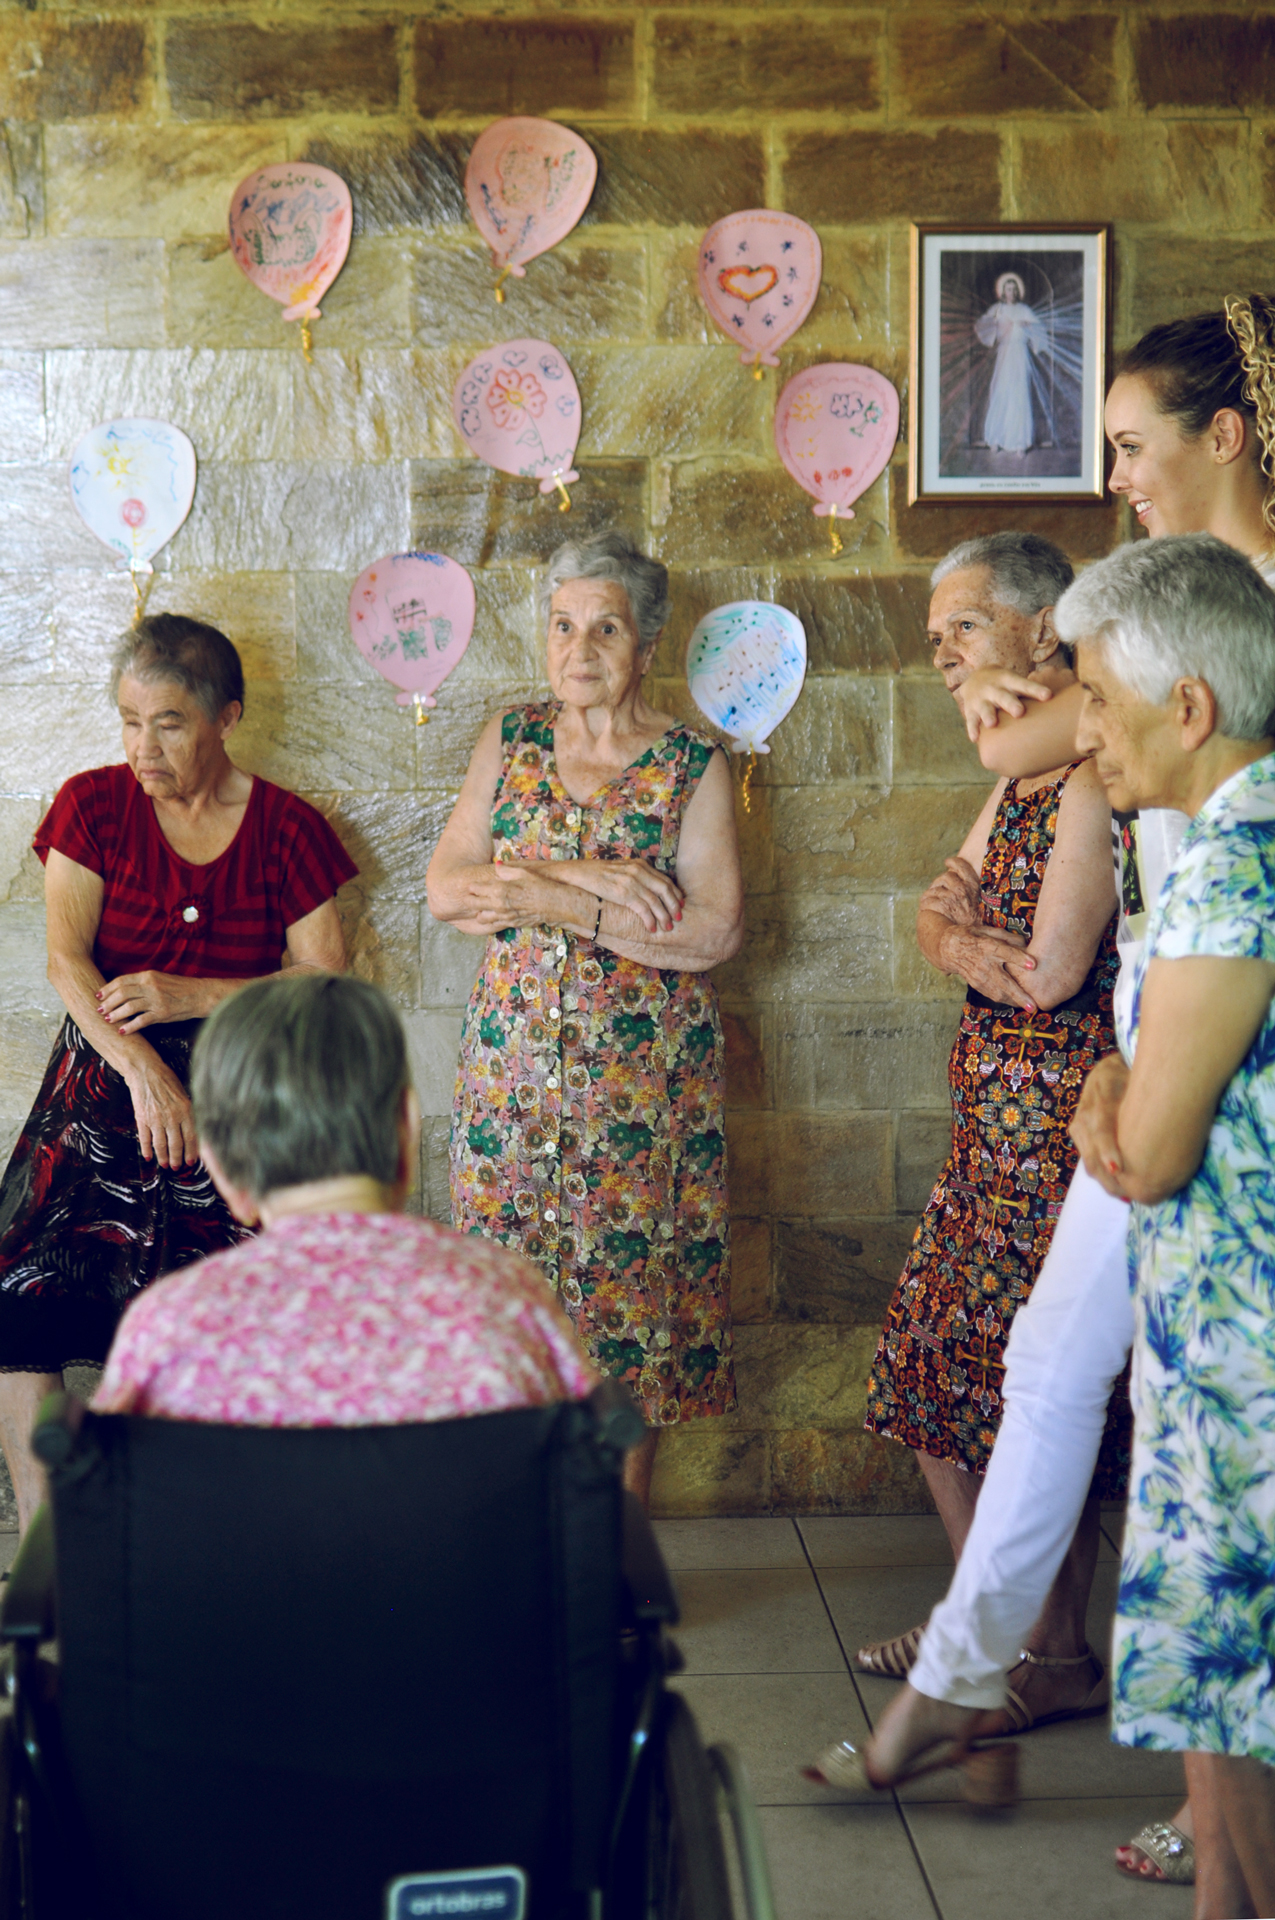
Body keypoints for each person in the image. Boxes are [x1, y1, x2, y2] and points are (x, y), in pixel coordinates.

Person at [835, 298, 1275, 1893]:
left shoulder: (1236, 624)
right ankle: (990, 1677)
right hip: (1162, 1010)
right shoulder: (1156, 605)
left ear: (1223, 436)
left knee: (1213, 1437)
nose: (1115, 477)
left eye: (1131, 445)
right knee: (1070, 1368)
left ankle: (1215, 1799)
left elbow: (1038, 745)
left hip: (1218, 1018)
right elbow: (1020, 749)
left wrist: (1107, 1087)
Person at [0, 615, 356, 1526]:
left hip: (238, 1096)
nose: (142, 748)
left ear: (225, 718)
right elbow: (67, 963)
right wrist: (143, 1072)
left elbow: (324, 979)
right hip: (101, 1082)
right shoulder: (92, 804)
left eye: (168, 723)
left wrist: (189, 994)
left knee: (230, 1318)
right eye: (129, 721)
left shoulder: (288, 828)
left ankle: (209, 1546)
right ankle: (49, 1551)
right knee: (19, 1294)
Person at [858, 532, 1127, 1732]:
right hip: (990, 1133)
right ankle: (986, 1620)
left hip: (1058, 1132)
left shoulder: (1089, 771)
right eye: (935, 639)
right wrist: (956, 936)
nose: (944, 655)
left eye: (962, 628)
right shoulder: (1017, 777)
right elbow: (937, 908)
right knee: (931, 1366)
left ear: (1041, 627)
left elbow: (1050, 972)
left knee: (1026, 1389)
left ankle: (1046, 1650)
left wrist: (960, 938)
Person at [426, 532, 745, 1508]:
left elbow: (714, 931)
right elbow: (447, 888)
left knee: (630, 1318)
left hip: (640, 1096)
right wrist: (584, 876)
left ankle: (613, 1554)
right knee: (510, 1309)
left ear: (646, 643)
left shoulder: (693, 763)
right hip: (511, 1087)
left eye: (604, 628)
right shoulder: (511, 739)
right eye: (562, 626)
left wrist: (544, 899)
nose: (578, 648)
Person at [1067, 534, 1275, 1920]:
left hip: (1241, 1349)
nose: (1081, 731)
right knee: (1225, 1681)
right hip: (1226, 1327)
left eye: (1096, 696)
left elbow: (1144, 1153)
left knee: (1235, 1682)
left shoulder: (1229, 869)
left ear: (1186, 707)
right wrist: (1116, 1079)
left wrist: (1104, 1090)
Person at [94, 972, 596, 1426]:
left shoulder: (166, 1331)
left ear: (220, 1163)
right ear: (407, 1128)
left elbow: (100, 1487)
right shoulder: (508, 1300)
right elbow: (589, 1476)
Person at [975, 273, 1050, 454]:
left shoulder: (1024, 310)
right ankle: (995, 439)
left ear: (1018, 292)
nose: (1012, 292)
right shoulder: (998, 309)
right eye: (1009, 289)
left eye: (1015, 289)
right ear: (1003, 292)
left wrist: (1027, 326)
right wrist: (998, 325)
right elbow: (983, 325)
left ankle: (1019, 442)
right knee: (1002, 391)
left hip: (1020, 355)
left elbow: (1039, 330)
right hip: (1005, 354)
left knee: (1019, 393)